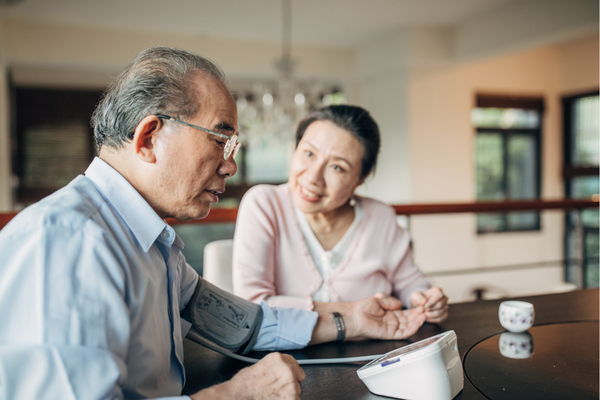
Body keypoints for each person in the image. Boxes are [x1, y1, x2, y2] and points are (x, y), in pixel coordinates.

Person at [0, 47, 427, 400]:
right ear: (149, 138)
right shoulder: (67, 239)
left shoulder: (152, 243)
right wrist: (239, 395)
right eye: (221, 140)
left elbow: (244, 324)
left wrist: (353, 319)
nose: (232, 164)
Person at [233, 105, 449, 323]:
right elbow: (254, 306)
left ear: (360, 179)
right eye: (309, 153)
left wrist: (423, 299)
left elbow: (410, 282)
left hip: (372, 352)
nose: (313, 177)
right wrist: (354, 312)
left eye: (337, 167)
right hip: (282, 355)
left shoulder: (380, 217)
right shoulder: (264, 204)